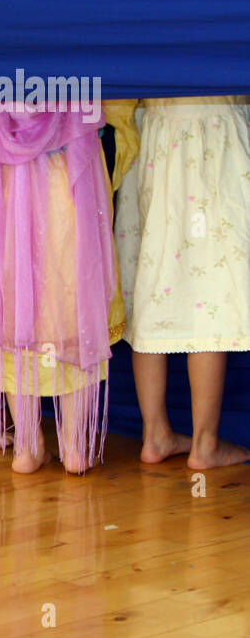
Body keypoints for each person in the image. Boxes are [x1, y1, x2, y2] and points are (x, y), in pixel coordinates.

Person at [0, 99, 138, 473]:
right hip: (70, 181)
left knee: (12, 307)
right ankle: (74, 446)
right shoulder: (72, 45)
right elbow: (113, 97)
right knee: (72, 309)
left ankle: (27, 445)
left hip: (2, 184)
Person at [115, 96, 250, 469]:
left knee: (151, 287)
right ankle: (204, 443)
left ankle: (155, 433)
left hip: (155, 134)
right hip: (215, 132)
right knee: (210, 288)